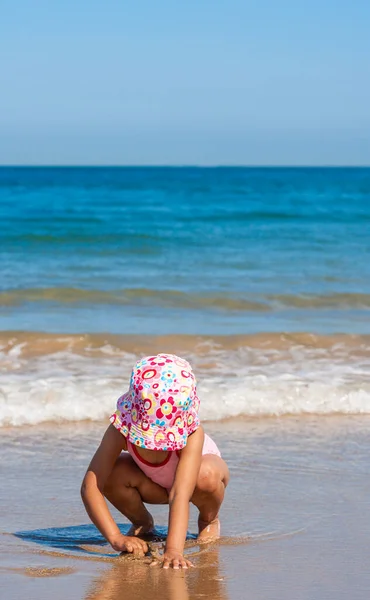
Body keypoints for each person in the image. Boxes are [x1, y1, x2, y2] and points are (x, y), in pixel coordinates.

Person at [81, 353, 229, 569]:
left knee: (205, 475)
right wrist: (115, 538)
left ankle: (208, 520)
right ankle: (143, 523)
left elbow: (180, 493)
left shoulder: (192, 433)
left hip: (193, 484)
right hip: (154, 484)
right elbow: (90, 486)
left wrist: (173, 551)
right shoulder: (121, 428)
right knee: (113, 471)